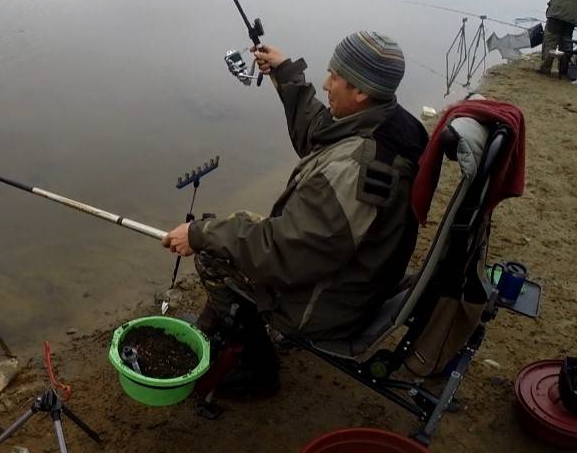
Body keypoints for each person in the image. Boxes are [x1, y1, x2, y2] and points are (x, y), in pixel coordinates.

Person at [161, 31, 428, 396]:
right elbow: (321, 135)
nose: (325, 82)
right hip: (359, 279)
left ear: (361, 92)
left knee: (213, 249)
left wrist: (198, 235)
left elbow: (284, 252)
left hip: (327, 305)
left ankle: (258, 367)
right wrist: (285, 74)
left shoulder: (355, 173)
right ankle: (224, 327)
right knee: (229, 230)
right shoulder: (390, 123)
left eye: (334, 76)